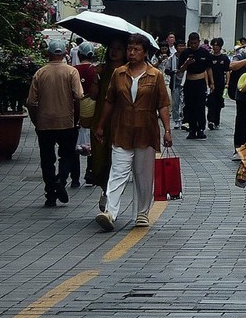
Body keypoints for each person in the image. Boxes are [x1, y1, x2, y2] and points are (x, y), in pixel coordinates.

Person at [93, 33, 172, 231]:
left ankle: (142, 213)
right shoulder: (118, 73)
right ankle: (110, 213)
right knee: (118, 172)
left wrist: (167, 130)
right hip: (122, 128)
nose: (131, 52)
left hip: (146, 129)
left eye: (137, 49)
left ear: (145, 53)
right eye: (130, 49)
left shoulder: (156, 75)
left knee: (143, 174)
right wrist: (101, 125)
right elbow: (109, 101)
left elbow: (163, 105)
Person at [25, 37, 84, 208]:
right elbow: (79, 96)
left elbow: (30, 101)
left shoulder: (40, 73)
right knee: (66, 154)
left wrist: (36, 120)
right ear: (65, 53)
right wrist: (77, 117)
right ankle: (61, 179)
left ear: (48, 54)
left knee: (47, 159)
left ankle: (50, 193)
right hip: (66, 121)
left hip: (44, 123)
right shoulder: (71, 72)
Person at [90, 36, 128, 209]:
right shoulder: (102, 70)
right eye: (112, 47)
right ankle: (105, 189)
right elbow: (93, 95)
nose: (114, 51)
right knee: (99, 158)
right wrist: (95, 77)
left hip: (120, 120)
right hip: (100, 120)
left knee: (116, 159)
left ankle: (110, 196)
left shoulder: (127, 71)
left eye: (119, 48)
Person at [72, 43, 99, 188]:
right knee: (92, 142)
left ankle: (74, 177)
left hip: (75, 111)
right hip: (92, 111)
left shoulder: (72, 70)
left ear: (79, 55)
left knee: (73, 143)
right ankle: (90, 171)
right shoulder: (96, 71)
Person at [178, 32, 212, 139]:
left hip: (200, 81)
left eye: (196, 43)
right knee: (190, 106)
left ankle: (201, 128)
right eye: (192, 43)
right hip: (189, 81)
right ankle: (192, 129)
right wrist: (187, 63)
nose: (194, 45)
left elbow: (209, 68)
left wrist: (212, 82)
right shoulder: (185, 53)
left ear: (199, 42)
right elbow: (181, 70)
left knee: (200, 106)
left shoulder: (204, 52)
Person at [207, 37, 230, 130]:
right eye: (214, 45)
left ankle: (217, 121)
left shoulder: (224, 58)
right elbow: (207, 69)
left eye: (217, 45)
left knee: (219, 103)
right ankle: (210, 120)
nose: (215, 47)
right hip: (211, 84)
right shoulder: (209, 57)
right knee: (211, 102)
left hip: (221, 83)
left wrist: (227, 83)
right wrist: (210, 82)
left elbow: (227, 71)